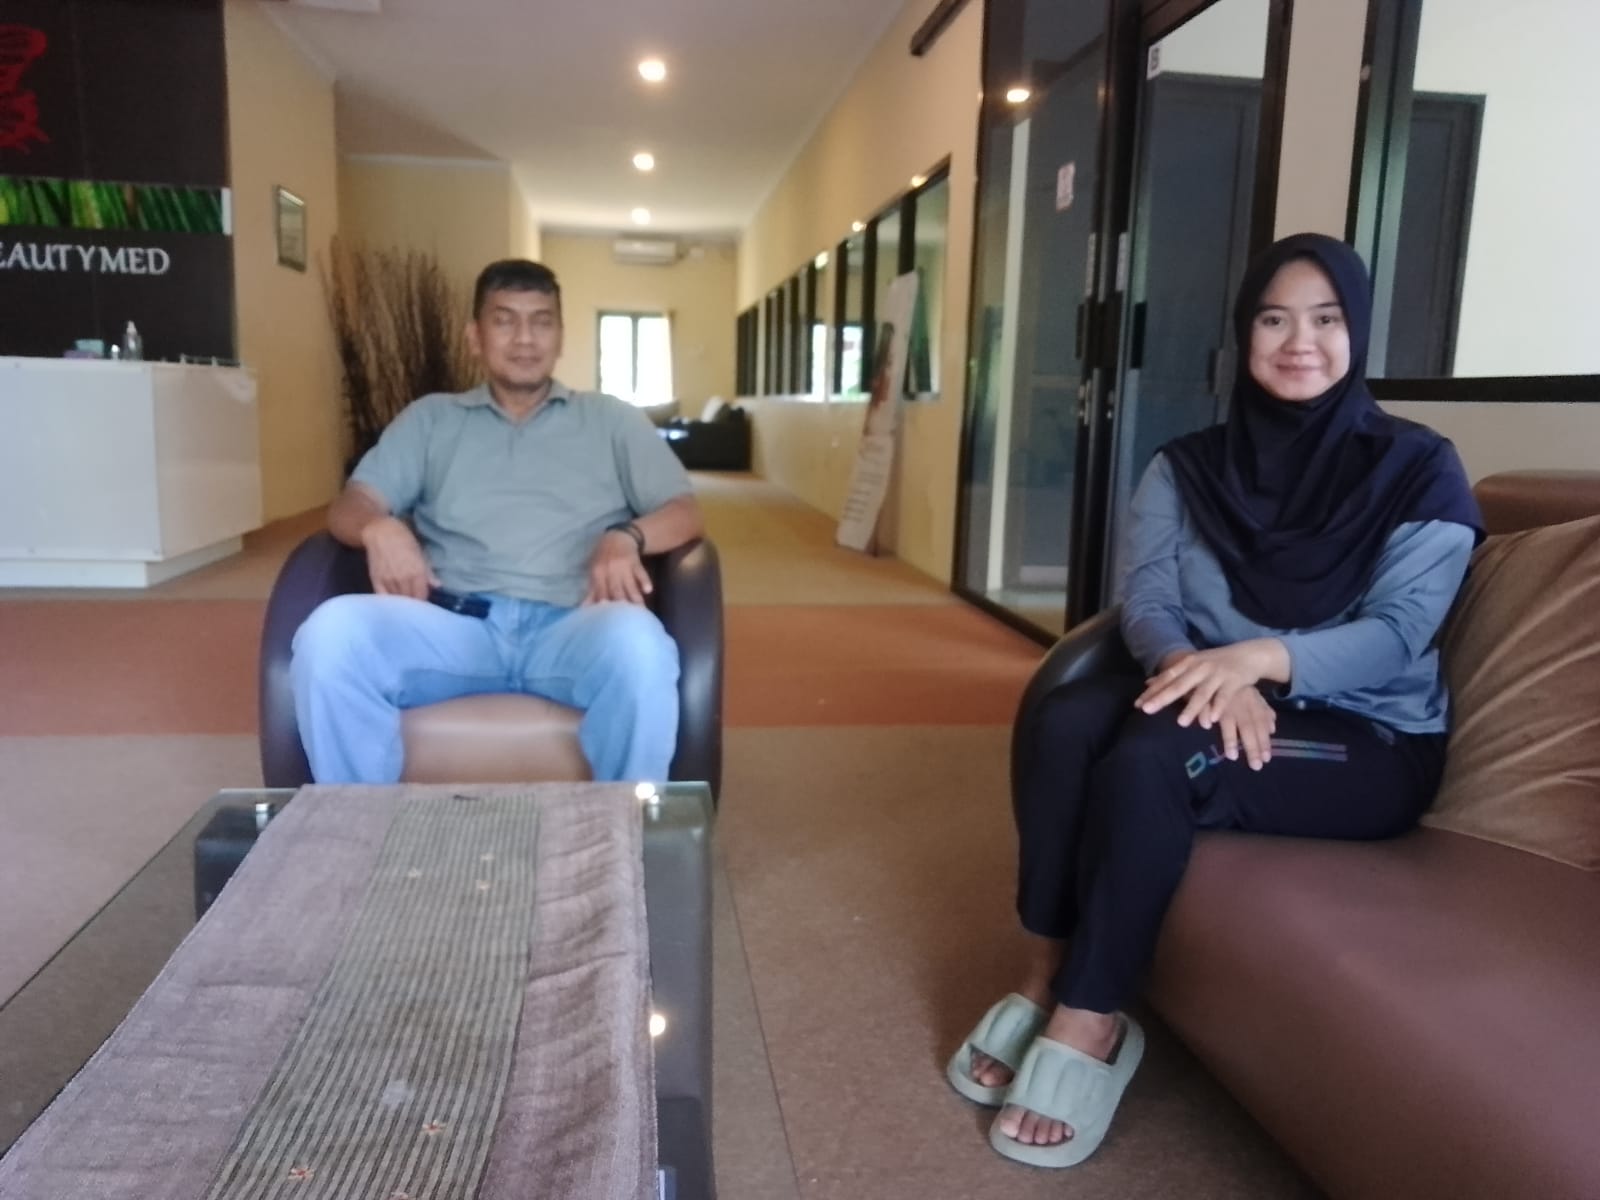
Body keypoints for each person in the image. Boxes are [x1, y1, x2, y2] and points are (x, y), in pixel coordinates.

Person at [946, 233, 1483, 1168]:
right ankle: (1043, 973)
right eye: (1274, 319)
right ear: (1244, 333)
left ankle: (1092, 1019)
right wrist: (1194, 667)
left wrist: (1255, 663)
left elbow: (1399, 632)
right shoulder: (1186, 466)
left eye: (1326, 319)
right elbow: (1148, 600)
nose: (1299, 342)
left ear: (1358, 332)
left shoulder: (1418, 466)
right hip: (1203, 683)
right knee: (1068, 719)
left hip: (1366, 736)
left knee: (1157, 751)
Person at [290, 259, 704, 785]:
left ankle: (626, 825)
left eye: (542, 321)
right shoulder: (431, 419)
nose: (525, 339)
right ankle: (359, 823)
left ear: (560, 336)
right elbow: (352, 504)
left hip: (574, 626)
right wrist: (377, 527)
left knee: (641, 645)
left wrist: (629, 536)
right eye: (505, 320)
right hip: (453, 626)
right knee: (330, 635)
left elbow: (685, 510)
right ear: (475, 337)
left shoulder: (612, 419)